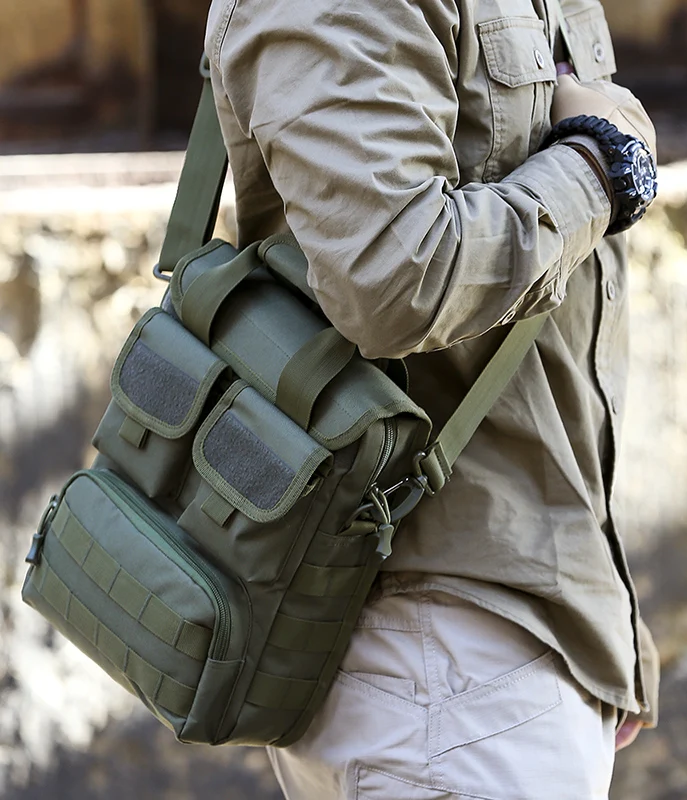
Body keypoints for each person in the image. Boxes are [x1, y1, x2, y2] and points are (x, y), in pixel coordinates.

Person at [205, 0, 660, 796]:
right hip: (433, 670)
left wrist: (599, 620)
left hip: (506, 646)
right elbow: (392, 278)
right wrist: (599, 166)